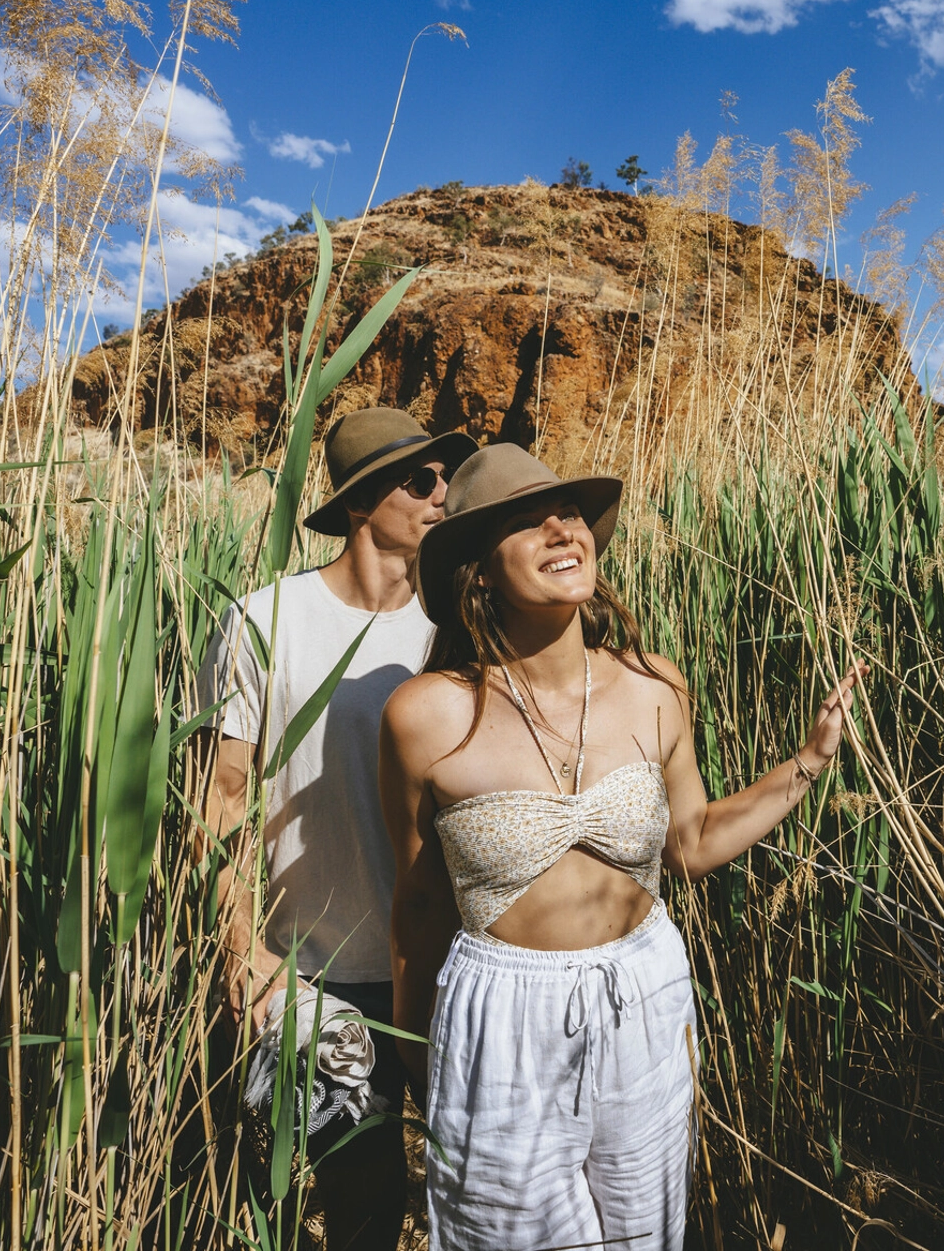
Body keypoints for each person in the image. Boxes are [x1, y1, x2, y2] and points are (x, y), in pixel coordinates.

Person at [379, 442, 866, 1251]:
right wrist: (421, 1058)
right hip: (502, 1014)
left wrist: (808, 763)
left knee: (645, 1232)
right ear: (479, 571)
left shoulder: (654, 686)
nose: (559, 529)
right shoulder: (424, 715)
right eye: (524, 523)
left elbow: (692, 841)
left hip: (643, 992)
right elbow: (420, 902)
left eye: (566, 512)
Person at [200, 406, 477, 1250]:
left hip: (440, 965)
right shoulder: (262, 620)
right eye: (420, 479)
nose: (441, 494)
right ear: (361, 503)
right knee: (343, 1199)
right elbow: (221, 799)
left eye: (447, 480)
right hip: (308, 976)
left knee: (460, 1192)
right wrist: (245, 956)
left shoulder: (457, 628)